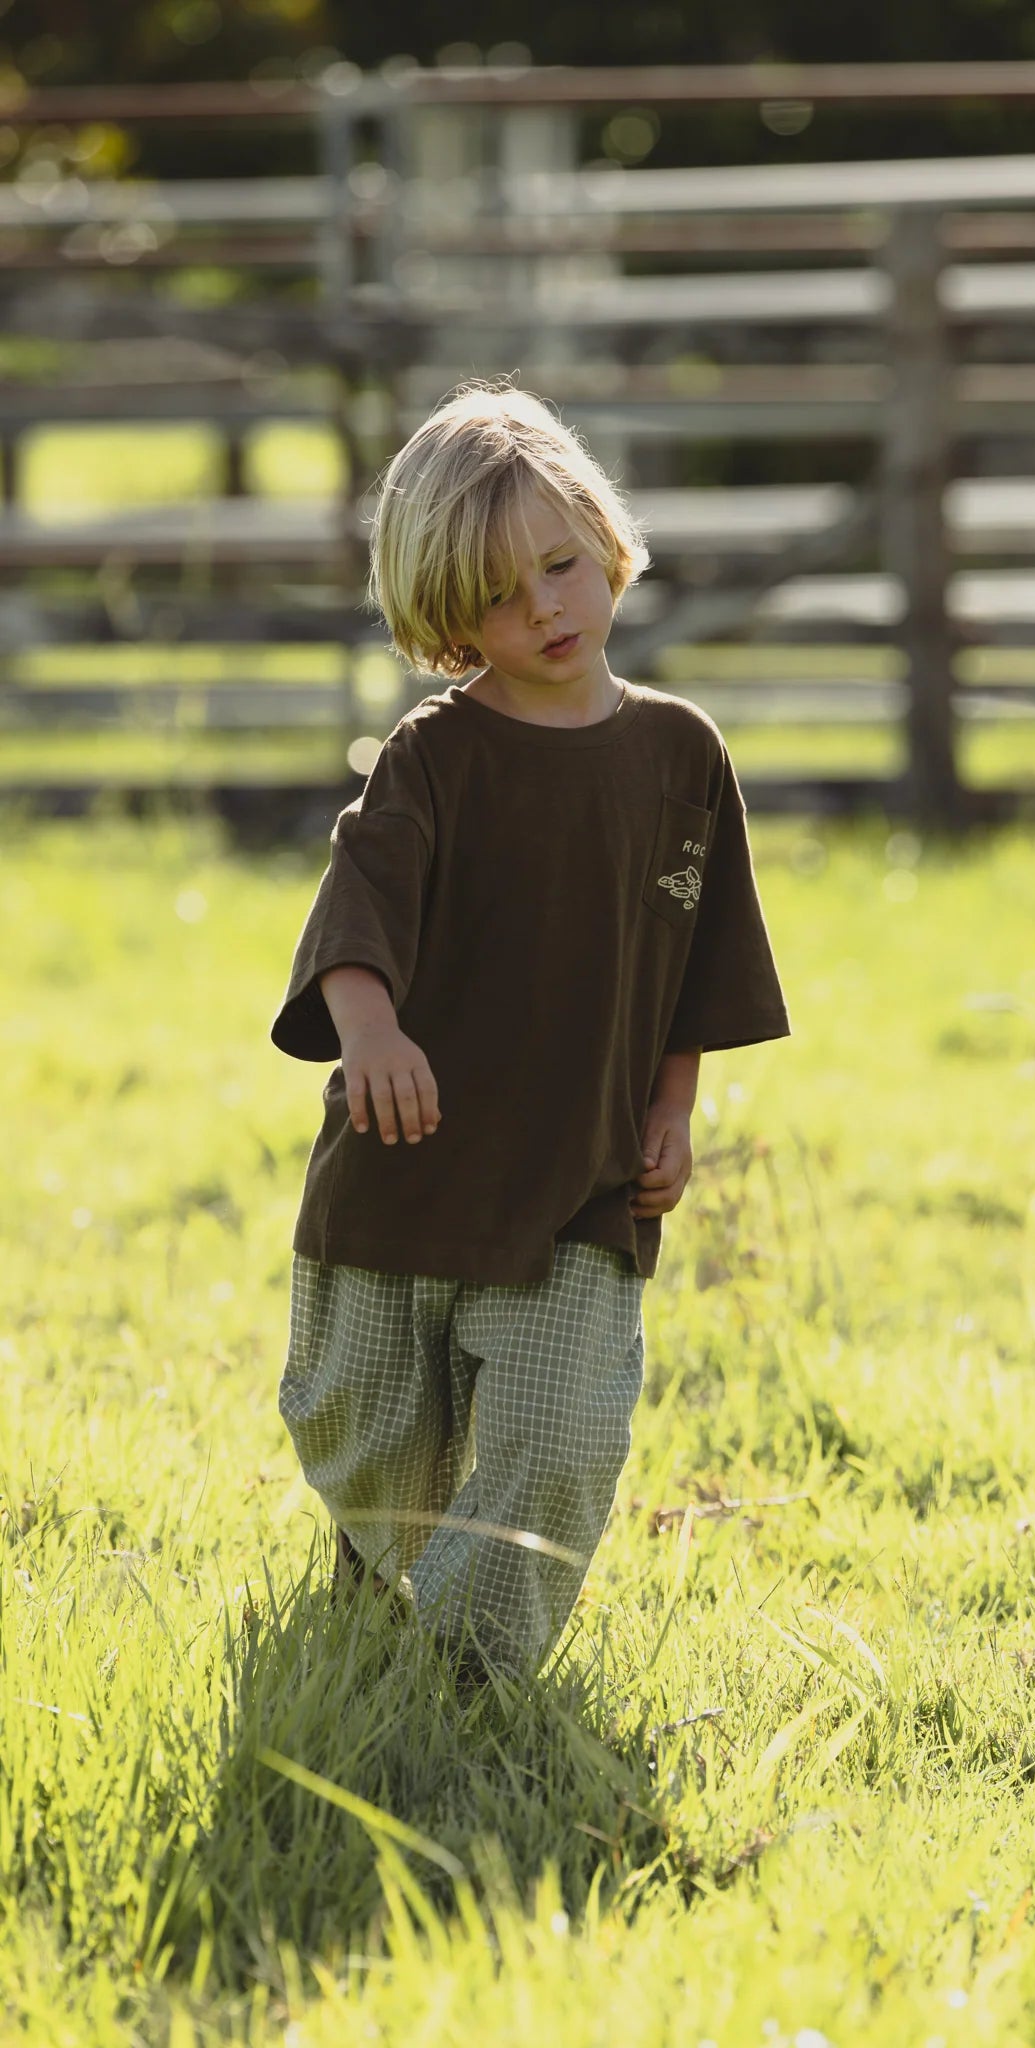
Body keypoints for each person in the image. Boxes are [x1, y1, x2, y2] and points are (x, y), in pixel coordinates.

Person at [270, 381, 790, 1682]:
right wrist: (369, 1033)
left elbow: (699, 966)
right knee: (372, 1440)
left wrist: (674, 1110)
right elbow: (357, 908)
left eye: (561, 566)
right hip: (409, 1169)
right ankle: (376, 1581)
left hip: (581, 1180)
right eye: (501, 597)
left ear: (606, 540)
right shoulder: (432, 759)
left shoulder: (682, 756)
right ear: (450, 618)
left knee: (558, 1437)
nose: (546, 609)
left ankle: (462, 1670)